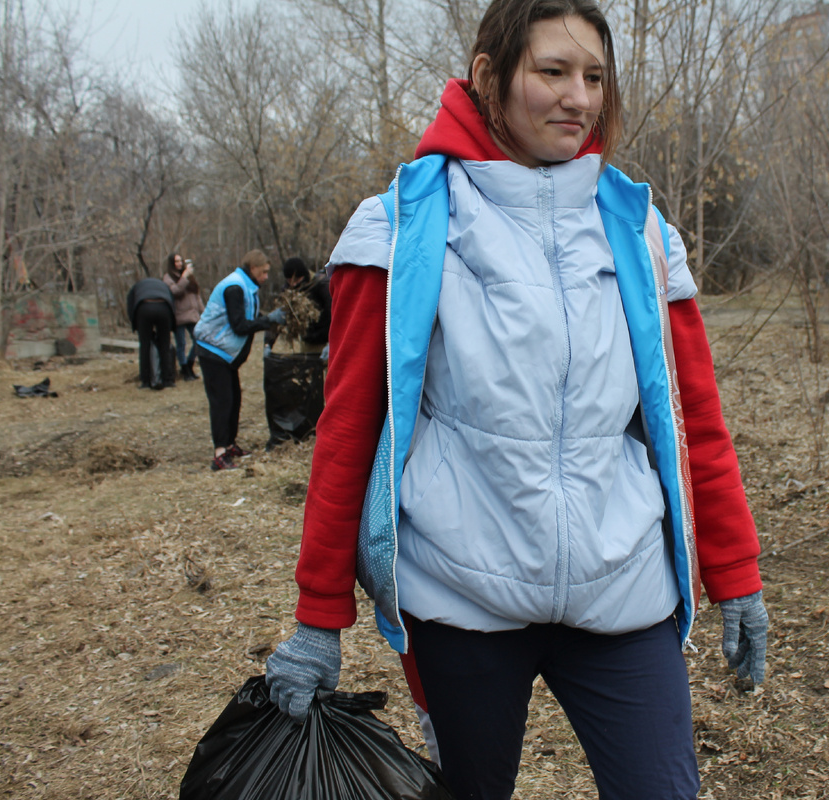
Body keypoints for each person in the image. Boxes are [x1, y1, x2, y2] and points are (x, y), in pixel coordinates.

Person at [264, 1, 768, 797]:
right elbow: (348, 431)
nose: (580, 98)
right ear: (490, 78)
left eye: (595, 76)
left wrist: (735, 569)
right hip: (460, 594)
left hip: (620, 582)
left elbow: (693, 418)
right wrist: (316, 615)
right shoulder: (398, 229)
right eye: (553, 72)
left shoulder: (640, 232)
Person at [193, 249, 286, 471]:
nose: (265, 277)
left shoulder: (245, 286)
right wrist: (268, 321)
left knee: (234, 399)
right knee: (222, 401)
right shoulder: (235, 287)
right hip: (213, 351)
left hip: (225, 355)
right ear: (252, 268)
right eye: (263, 272)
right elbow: (240, 325)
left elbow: (247, 318)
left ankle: (230, 444)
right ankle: (219, 454)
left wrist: (267, 318)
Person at [262, 257, 332, 357]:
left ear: (304, 275)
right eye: (289, 280)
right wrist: (268, 344)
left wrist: (332, 342)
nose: (293, 284)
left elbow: (336, 314)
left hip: (327, 341)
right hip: (308, 342)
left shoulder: (322, 286)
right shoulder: (288, 292)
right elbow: (277, 319)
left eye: (297, 279)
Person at [124, 276, 176, 391]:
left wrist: (136, 325)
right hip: (164, 308)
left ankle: (146, 381)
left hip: (144, 308)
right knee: (165, 345)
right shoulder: (164, 286)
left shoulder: (136, 287)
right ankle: (168, 380)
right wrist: (172, 326)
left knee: (145, 345)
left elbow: (130, 305)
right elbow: (172, 303)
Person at [162, 252, 206, 381]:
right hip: (179, 315)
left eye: (181, 261)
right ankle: (185, 369)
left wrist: (203, 312)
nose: (179, 264)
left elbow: (196, 295)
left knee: (199, 340)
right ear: (172, 263)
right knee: (181, 343)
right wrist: (184, 277)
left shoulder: (189, 277)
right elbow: (175, 291)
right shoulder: (168, 277)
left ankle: (190, 364)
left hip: (192, 315)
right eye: (176, 261)